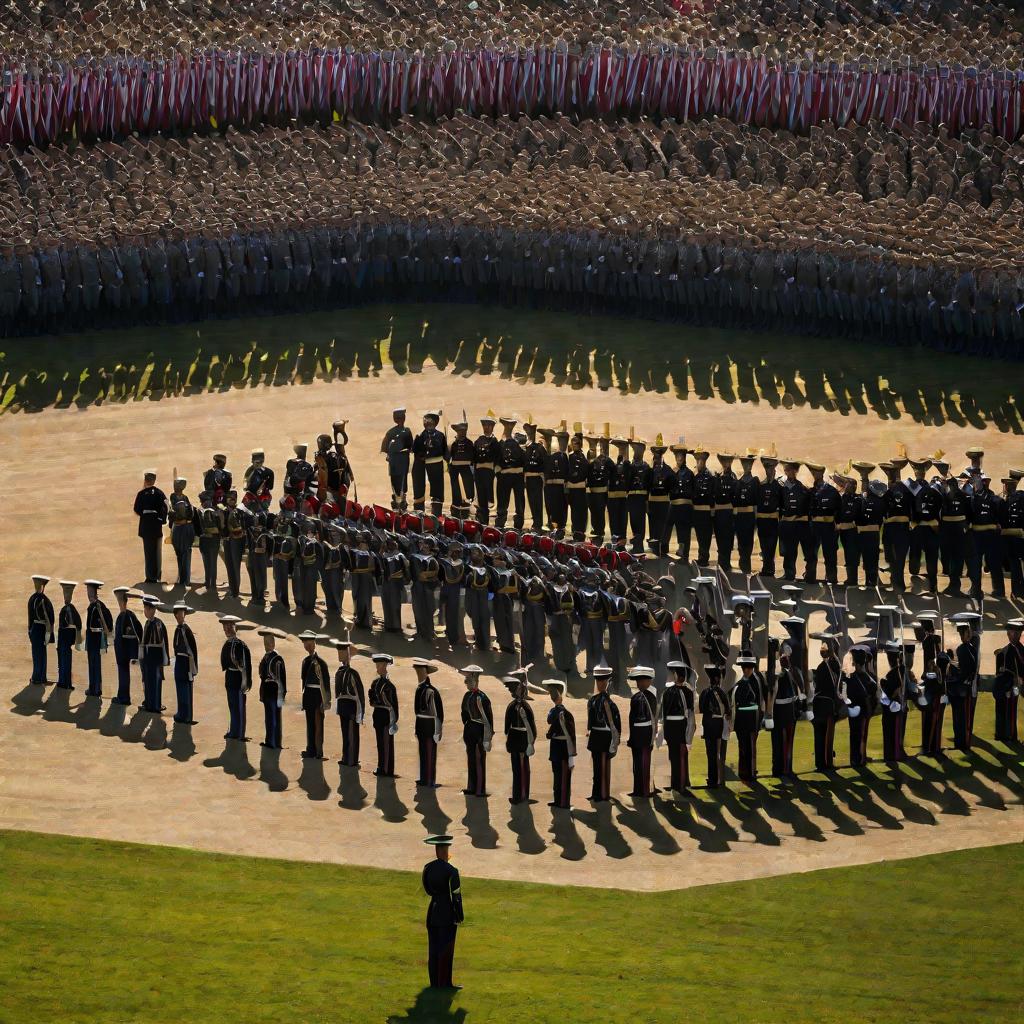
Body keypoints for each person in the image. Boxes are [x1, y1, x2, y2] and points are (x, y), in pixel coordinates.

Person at [421, 835, 464, 991]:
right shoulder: (451, 870)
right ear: (444, 850)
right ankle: (445, 983)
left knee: (434, 949)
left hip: (432, 911)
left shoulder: (428, 868)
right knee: (446, 950)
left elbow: (427, 889)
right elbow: (456, 896)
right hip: (446, 914)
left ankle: (434, 982)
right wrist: (459, 915)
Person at [947, 612, 981, 751]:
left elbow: (967, 669)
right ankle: (961, 743)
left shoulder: (966, 648)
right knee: (961, 718)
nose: (964, 636)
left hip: (963, 687)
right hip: (964, 687)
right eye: (962, 633)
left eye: (965, 633)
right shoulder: (966, 648)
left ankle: (962, 743)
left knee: (961, 718)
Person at [661, 661, 696, 794]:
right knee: (680, 756)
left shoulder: (667, 692)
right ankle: (681, 783)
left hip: (672, 727)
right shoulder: (688, 692)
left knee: (675, 756)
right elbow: (690, 713)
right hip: (681, 726)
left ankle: (677, 783)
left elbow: (664, 714)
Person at [586, 666, 620, 801]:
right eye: (599, 681)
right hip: (596, 735)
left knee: (603, 767)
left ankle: (603, 794)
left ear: (608, 682)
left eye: (603, 681)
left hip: (605, 736)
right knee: (597, 767)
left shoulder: (609, 703)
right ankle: (596, 793)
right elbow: (590, 721)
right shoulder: (593, 701)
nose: (601, 683)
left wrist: (615, 741)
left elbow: (616, 724)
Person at [461, 664, 494, 797]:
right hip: (470, 730)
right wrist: (467, 726)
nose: (466, 683)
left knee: (479, 759)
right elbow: (463, 713)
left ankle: (480, 788)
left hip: (480, 730)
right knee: (471, 759)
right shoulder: (467, 695)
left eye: (468, 680)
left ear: (475, 679)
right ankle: (471, 786)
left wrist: (488, 737)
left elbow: (489, 719)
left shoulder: (483, 697)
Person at [731, 654, 764, 783]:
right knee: (743, 747)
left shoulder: (756, 682)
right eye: (745, 668)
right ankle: (743, 772)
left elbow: (759, 701)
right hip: (741, 719)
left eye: (748, 668)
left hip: (751, 719)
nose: (746, 670)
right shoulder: (739, 683)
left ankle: (750, 772)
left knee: (750, 747)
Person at [812, 634, 843, 771]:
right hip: (828, 705)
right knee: (826, 736)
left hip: (820, 704)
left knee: (820, 736)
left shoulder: (822, 666)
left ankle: (820, 762)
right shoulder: (831, 665)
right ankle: (826, 762)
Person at [626, 666, 658, 798]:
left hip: (645, 734)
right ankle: (638, 789)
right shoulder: (638, 697)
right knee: (637, 764)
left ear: (647, 681)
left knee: (643, 763)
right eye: (638, 681)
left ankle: (644, 790)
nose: (638, 684)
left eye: (641, 681)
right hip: (638, 734)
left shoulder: (649, 697)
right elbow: (631, 719)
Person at [544, 678, 576, 809]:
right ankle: (558, 800)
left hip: (561, 746)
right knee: (558, 774)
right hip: (559, 746)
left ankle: (563, 801)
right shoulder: (564, 713)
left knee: (560, 775)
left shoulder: (559, 712)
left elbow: (550, 720)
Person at [504, 679, 536, 805]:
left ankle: (523, 795)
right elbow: (507, 726)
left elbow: (531, 725)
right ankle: (517, 796)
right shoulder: (511, 706)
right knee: (516, 768)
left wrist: (531, 742)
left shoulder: (526, 707)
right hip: (515, 737)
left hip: (523, 737)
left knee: (524, 767)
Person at [331, 637, 363, 766]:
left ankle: (352, 759)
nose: (340, 654)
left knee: (352, 733)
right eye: (339, 652)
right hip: (343, 706)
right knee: (345, 733)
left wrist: (360, 713)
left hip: (351, 706)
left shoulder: (353, 674)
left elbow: (359, 695)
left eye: (343, 652)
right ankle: (346, 757)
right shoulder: (339, 672)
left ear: (348, 655)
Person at [299, 631, 331, 759]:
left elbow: (326, 682)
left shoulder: (321, 663)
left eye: (310, 643)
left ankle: (319, 751)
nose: (307, 646)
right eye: (305, 643)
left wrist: (326, 700)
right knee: (310, 723)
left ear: (314, 643)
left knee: (318, 724)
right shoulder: (305, 661)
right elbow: (303, 680)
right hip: (308, 695)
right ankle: (310, 749)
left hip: (318, 695)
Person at [220, 615, 252, 741]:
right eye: (225, 627)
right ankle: (233, 730)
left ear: (235, 627)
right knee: (232, 706)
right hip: (230, 677)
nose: (227, 629)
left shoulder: (241, 645)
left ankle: (239, 733)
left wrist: (246, 683)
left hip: (239, 679)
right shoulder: (227, 644)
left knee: (239, 707)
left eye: (229, 626)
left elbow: (246, 666)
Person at [413, 658, 444, 788]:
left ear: (426, 673)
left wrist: (438, 731)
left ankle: (430, 780)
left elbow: (439, 714)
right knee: (422, 752)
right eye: (417, 672)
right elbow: (416, 711)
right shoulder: (418, 689)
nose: (419, 674)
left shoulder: (432, 691)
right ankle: (423, 778)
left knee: (430, 753)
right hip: (420, 725)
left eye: (421, 672)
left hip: (430, 725)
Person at [845, 646, 878, 767]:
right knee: (861, 734)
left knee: (856, 734)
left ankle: (858, 756)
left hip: (856, 708)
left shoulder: (852, 677)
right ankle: (859, 757)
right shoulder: (865, 677)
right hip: (863, 709)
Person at [699, 664, 730, 787]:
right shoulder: (721, 692)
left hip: (708, 724)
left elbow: (701, 708)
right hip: (718, 724)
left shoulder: (705, 692)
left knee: (710, 752)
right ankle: (718, 779)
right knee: (718, 752)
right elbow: (727, 709)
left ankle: (713, 778)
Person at [133, 470, 168, 582]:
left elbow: (137, 509)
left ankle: (149, 576)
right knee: (158, 552)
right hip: (156, 527)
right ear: (154, 480)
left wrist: (145, 515)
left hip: (146, 527)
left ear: (146, 481)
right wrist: (161, 519)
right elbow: (166, 507)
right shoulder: (159, 493)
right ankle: (157, 575)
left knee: (148, 552)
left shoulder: (141, 494)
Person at [368, 652, 399, 777]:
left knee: (386, 743)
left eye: (381, 665)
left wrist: (394, 720)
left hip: (387, 715)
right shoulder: (375, 683)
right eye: (377, 665)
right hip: (378, 714)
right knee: (380, 743)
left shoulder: (390, 686)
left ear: (386, 666)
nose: (378, 668)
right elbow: (372, 702)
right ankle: (381, 766)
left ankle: (387, 769)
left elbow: (393, 705)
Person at [879, 640, 910, 764]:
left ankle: (894, 754)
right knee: (894, 731)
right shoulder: (898, 671)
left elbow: (894, 690)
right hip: (896, 705)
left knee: (894, 731)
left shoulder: (897, 672)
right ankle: (893, 753)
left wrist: (883, 683)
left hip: (896, 706)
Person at [412, 410, 447, 517]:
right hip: (421, 464)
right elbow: (415, 450)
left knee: (437, 488)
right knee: (418, 486)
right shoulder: (420, 436)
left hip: (436, 464)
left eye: (429, 420)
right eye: (425, 420)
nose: (426, 422)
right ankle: (419, 512)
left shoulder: (440, 436)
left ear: (435, 422)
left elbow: (444, 451)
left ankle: (436, 514)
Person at [993, 619, 1023, 743]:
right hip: (1008, 688)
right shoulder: (1003, 652)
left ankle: (1012, 735)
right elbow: (999, 674)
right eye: (1012, 633)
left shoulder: (1022, 650)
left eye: (1018, 633)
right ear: (1008, 634)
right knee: (1006, 711)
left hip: (1021, 688)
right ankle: (1006, 735)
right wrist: (1007, 688)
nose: (1015, 636)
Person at [112, 586, 142, 705]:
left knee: (123, 676)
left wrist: (133, 652)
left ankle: (123, 698)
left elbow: (136, 634)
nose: (120, 604)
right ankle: (123, 696)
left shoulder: (125, 616)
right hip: (124, 652)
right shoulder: (129, 615)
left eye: (120, 601)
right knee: (124, 675)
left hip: (123, 653)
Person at [495, 416, 526, 530]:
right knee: (503, 500)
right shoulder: (501, 443)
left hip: (517, 475)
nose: (509, 427)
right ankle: (500, 522)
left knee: (519, 500)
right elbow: (497, 459)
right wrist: (499, 474)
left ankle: (518, 524)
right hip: (505, 475)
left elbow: (523, 460)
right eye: (507, 425)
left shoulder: (516, 443)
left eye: (511, 425)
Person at [257, 628, 287, 749]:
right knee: (269, 717)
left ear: (273, 644)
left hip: (274, 690)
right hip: (266, 689)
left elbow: (282, 678)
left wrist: (282, 694)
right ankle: (270, 740)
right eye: (265, 643)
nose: (266, 645)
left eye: (269, 643)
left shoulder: (277, 658)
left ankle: (274, 742)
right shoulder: (265, 657)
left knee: (274, 717)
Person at [83, 580, 113, 696]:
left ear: (94, 592)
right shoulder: (98, 605)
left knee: (93, 664)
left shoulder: (97, 606)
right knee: (95, 664)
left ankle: (94, 689)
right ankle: (97, 688)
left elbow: (106, 625)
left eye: (89, 591)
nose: (88, 594)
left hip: (94, 639)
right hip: (94, 638)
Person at [140, 595, 169, 713]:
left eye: (146, 609)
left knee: (154, 681)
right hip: (149, 657)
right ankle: (149, 703)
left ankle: (154, 705)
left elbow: (159, 643)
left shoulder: (157, 624)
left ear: (152, 609)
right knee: (148, 680)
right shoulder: (149, 623)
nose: (145, 611)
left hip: (154, 657)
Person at [171, 602, 198, 724]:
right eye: (178, 613)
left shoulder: (187, 630)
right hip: (179, 661)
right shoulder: (178, 629)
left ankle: (186, 715)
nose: (180, 616)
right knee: (179, 687)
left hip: (186, 662)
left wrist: (193, 668)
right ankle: (181, 712)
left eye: (182, 613)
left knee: (185, 688)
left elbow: (193, 650)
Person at [382, 407, 414, 511]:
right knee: (397, 482)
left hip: (400, 462)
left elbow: (410, 447)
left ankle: (400, 502)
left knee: (401, 483)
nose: (400, 420)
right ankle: (398, 503)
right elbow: (385, 447)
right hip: (397, 462)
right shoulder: (395, 432)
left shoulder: (395, 431)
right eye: (399, 418)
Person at [168, 477, 197, 586]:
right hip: (183, 527)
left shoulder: (176, 498)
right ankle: (184, 579)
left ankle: (184, 579)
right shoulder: (180, 498)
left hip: (180, 528)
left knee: (182, 554)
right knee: (182, 554)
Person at [27, 574, 55, 686]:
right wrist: (50, 633)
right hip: (41, 629)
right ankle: (38, 678)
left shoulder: (32, 598)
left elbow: (30, 617)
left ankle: (39, 677)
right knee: (40, 654)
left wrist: (29, 630)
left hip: (36, 629)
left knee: (38, 654)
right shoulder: (44, 600)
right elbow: (51, 618)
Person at [473, 412, 500, 525]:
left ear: (492, 427)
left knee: (490, 497)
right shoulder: (478, 441)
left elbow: (497, 457)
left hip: (489, 472)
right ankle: (481, 520)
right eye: (484, 425)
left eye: (488, 425)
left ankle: (488, 520)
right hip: (479, 471)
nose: (486, 427)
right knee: (481, 496)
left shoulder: (495, 442)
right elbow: (474, 457)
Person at [56, 580, 82, 690]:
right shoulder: (73, 609)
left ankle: (63, 682)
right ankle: (68, 683)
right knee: (67, 662)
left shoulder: (64, 609)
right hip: (70, 639)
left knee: (62, 662)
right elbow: (79, 623)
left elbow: (62, 624)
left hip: (64, 639)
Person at [543, 424, 569, 535]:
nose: (561, 442)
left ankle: (560, 527)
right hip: (551, 486)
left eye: (563, 440)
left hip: (560, 487)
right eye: (560, 440)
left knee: (560, 508)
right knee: (551, 507)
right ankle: (552, 525)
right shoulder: (553, 456)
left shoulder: (565, 456)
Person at [447, 418, 475, 519]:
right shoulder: (452, 444)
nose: (462, 432)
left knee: (468, 490)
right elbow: (448, 457)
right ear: (457, 431)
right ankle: (455, 510)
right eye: (460, 430)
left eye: (464, 430)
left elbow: (473, 458)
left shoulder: (470, 443)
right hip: (455, 470)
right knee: (456, 490)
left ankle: (466, 511)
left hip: (466, 469)